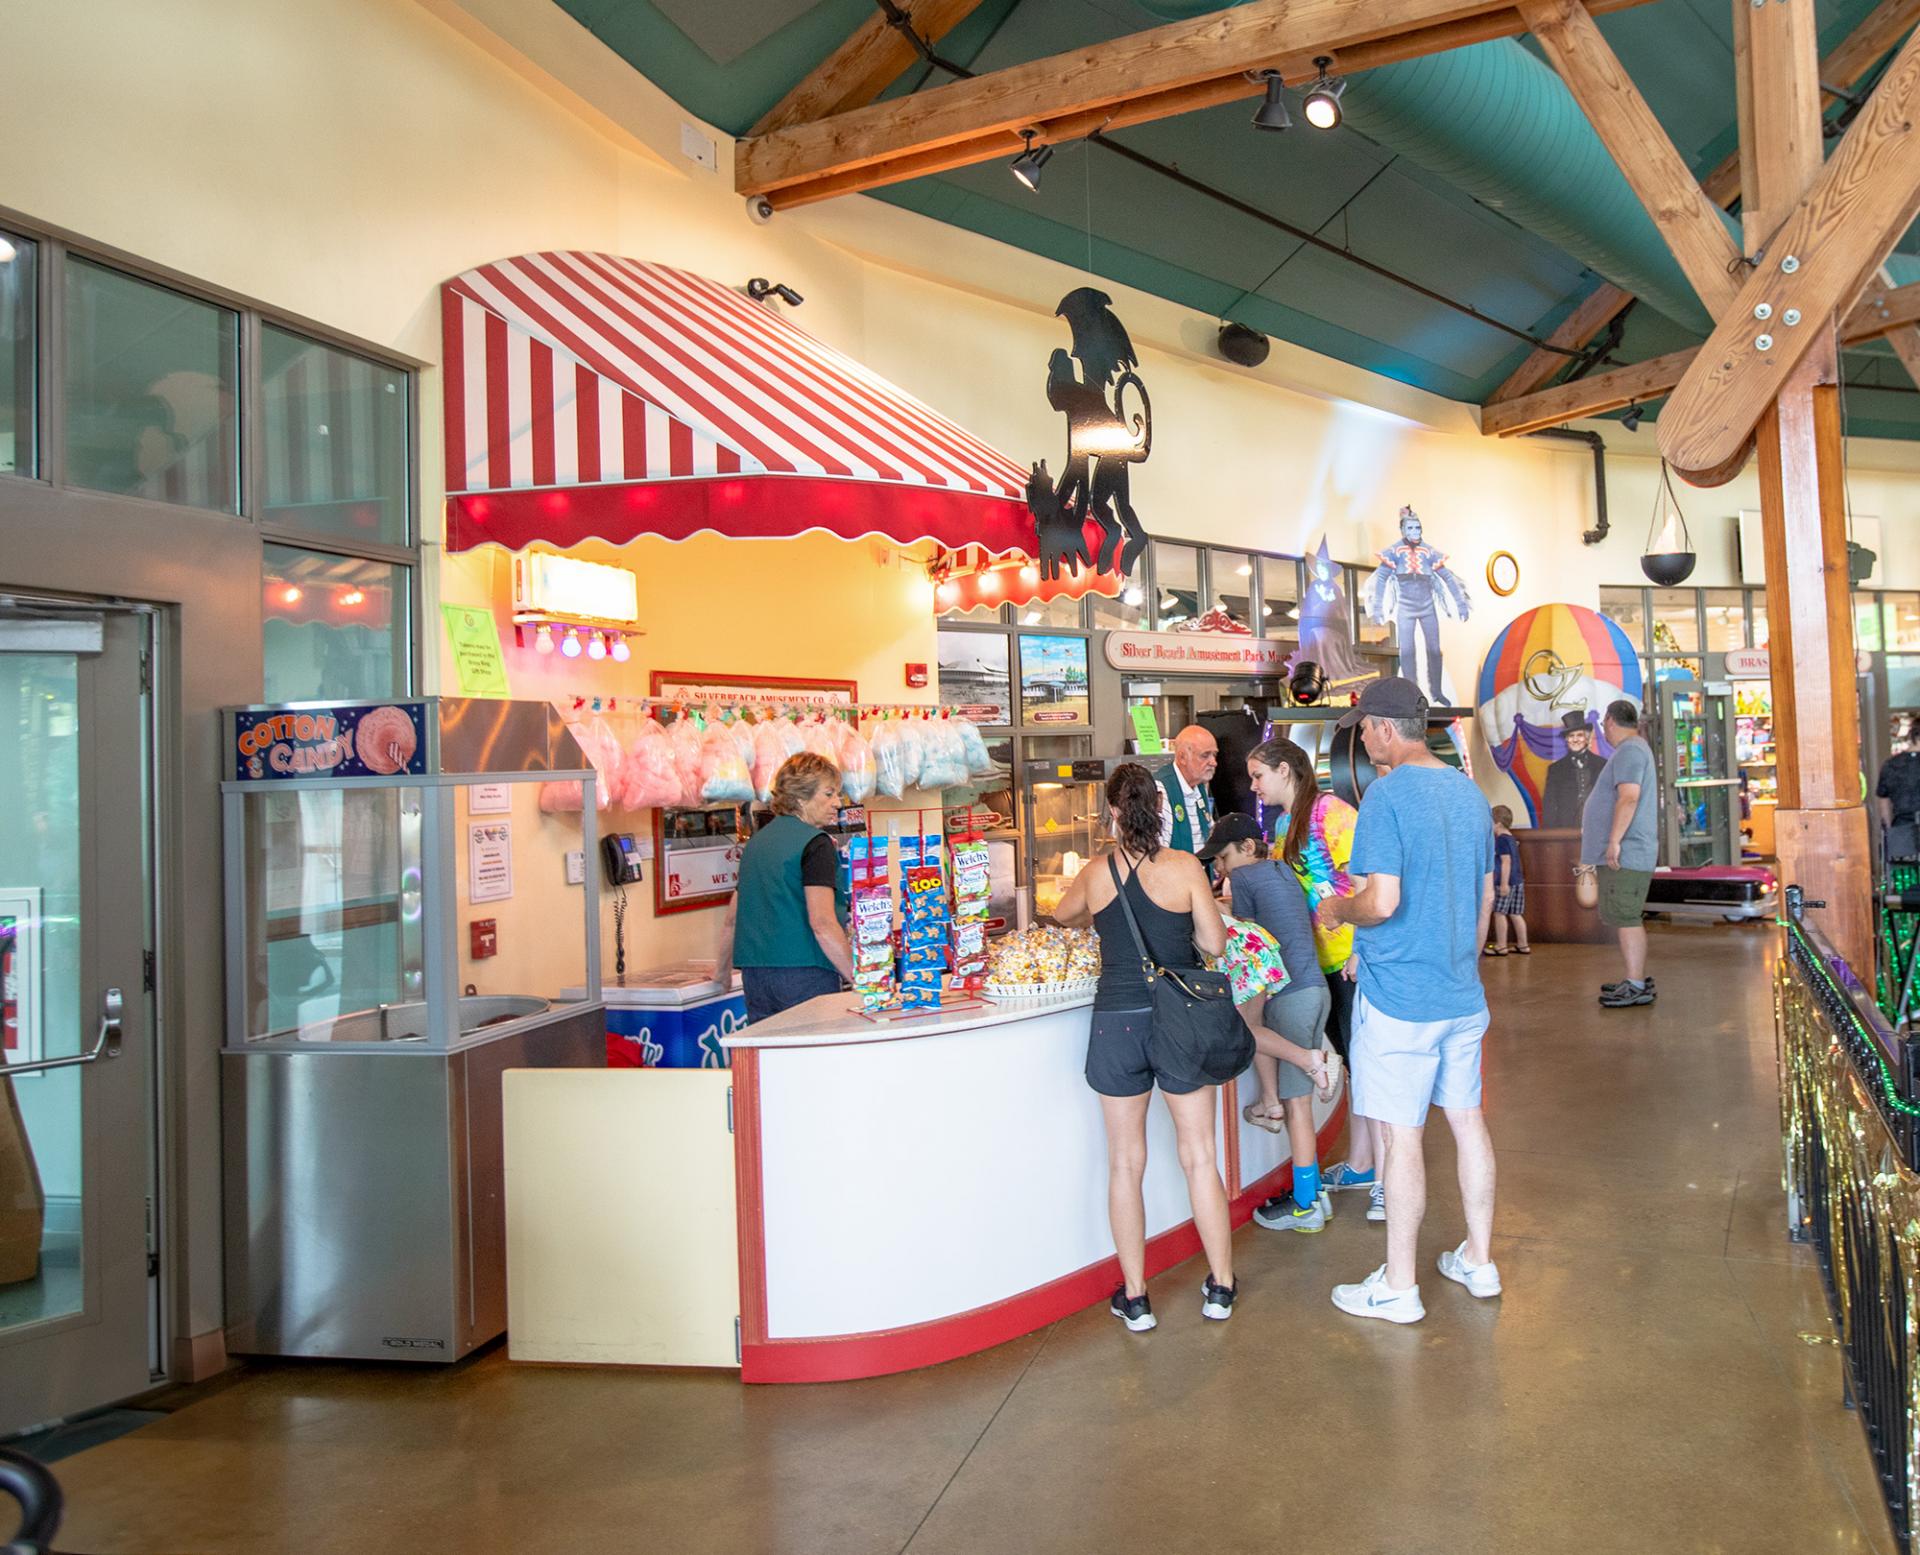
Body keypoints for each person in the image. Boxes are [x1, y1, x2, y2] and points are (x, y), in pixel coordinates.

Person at [1317, 677, 1500, 1325]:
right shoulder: (1470, 795)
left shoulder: (1386, 798)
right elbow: (1484, 898)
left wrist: (1338, 906)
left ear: (1388, 728)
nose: (1362, 739)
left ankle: (1399, 1284)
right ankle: (1478, 1258)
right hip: (1460, 994)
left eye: (1364, 728)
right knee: (1467, 1121)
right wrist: (1458, 964)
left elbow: (1383, 901)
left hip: (1399, 1000)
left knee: (1402, 1139)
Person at [1054, 762, 1236, 1332]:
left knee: (1125, 1163)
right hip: (1178, 1019)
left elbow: (1062, 915)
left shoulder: (1096, 870)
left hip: (1117, 1020)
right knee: (1199, 1155)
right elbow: (1214, 944)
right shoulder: (1184, 868)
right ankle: (1221, 1287)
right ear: (1160, 811)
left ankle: (1135, 1298)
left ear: (1112, 811)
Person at [1246, 736, 1387, 1222]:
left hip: (1351, 958)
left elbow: (1367, 885)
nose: (1253, 786)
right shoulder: (1287, 825)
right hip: (1318, 962)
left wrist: (1363, 949)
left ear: (1285, 770)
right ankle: (1364, 1164)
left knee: (1370, 1068)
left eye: (1258, 776)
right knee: (1351, 1066)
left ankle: (1387, 1182)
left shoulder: (1334, 814)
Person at [1197, 813, 1339, 1234]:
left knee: (1298, 1106)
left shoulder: (1244, 879)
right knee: (1296, 1099)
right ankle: (1314, 1192)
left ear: (1245, 847)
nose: (1220, 868)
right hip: (1315, 988)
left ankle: (1306, 1203)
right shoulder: (1281, 868)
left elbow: (1241, 938)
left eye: (1223, 858)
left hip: (1291, 994)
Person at [718, 753, 853, 1023]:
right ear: (801, 798)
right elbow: (822, 924)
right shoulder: (816, 844)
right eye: (828, 794)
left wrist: (720, 972)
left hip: (756, 976)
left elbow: (732, 918)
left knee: (772, 1059)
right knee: (810, 1060)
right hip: (805, 975)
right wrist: (859, 976)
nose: (837, 803)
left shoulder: (756, 843)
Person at [1582, 699, 1659, 1007]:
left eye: (1603, 725)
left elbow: (1628, 798)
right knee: (1624, 915)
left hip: (1626, 851)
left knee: (1626, 916)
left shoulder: (1629, 751)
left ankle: (1636, 984)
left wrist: (1614, 841)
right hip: (1627, 850)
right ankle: (1633, 978)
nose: (1604, 730)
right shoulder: (1634, 750)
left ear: (1610, 720)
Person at [1156, 725, 1218, 853]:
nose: (1214, 762)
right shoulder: (1160, 789)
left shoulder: (1200, 784)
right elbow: (1157, 850)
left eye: (1214, 755)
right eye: (1205, 755)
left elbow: (1208, 831)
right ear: (1182, 757)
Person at [1542, 709, 1606, 829]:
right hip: (1565, 831)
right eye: (1571, 736)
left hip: (1596, 827)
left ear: (1587, 738)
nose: (1575, 740)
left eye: (1579, 735)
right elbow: (1549, 805)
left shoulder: (1602, 764)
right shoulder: (1555, 769)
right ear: (1566, 740)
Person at [1877, 717, 1920, 863]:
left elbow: (1884, 802)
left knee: (1904, 874)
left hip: (1902, 833)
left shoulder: (1891, 765)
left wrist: (1890, 830)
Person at [1487, 806, 1529, 955]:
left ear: (1497, 823)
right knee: (1515, 913)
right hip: (1517, 881)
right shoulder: (1511, 838)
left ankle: (1501, 946)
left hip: (1506, 882)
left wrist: (1504, 884)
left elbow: (1506, 861)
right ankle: (1523, 945)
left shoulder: (1501, 841)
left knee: (1499, 913)